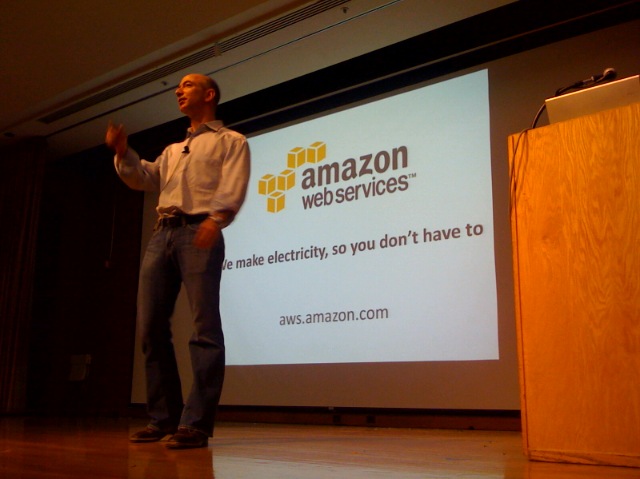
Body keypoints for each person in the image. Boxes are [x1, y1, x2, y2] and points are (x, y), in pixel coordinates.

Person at [106, 73, 250, 449]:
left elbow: (234, 184)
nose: (178, 90)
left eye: (187, 84)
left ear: (209, 94)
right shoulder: (173, 150)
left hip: (199, 229)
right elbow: (143, 177)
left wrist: (216, 219)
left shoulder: (230, 140)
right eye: (178, 86)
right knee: (150, 327)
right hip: (162, 234)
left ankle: (196, 424)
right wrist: (123, 152)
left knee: (204, 328)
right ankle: (163, 418)